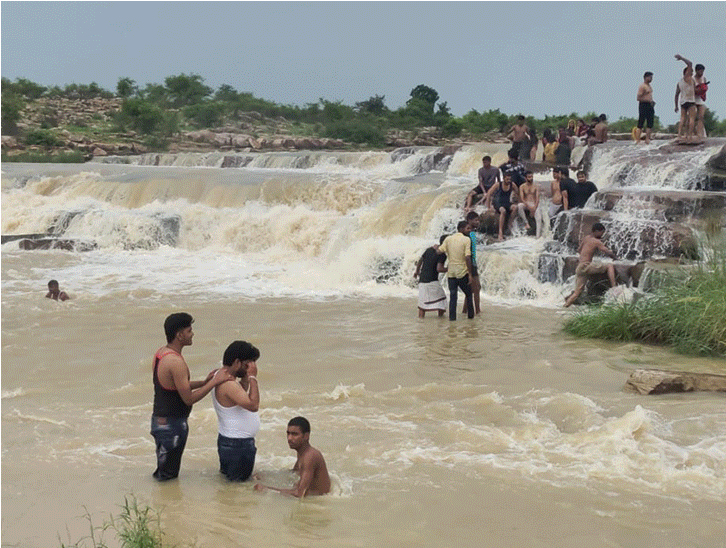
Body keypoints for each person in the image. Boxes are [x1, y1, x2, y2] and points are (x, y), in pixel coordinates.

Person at [150, 312, 233, 481]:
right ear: (179, 335)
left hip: (161, 420)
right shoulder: (175, 362)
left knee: (164, 471)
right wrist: (215, 382)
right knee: (168, 477)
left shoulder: (161, 353)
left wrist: (204, 382)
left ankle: (162, 502)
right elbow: (188, 398)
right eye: (189, 330)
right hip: (172, 425)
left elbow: (174, 386)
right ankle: (167, 506)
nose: (192, 333)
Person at [213, 340, 261, 482]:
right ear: (237, 362)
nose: (249, 368)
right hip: (238, 446)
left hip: (230, 442)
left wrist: (245, 381)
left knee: (232, 488)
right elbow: (253, 405)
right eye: (247, 364)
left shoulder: (220, 376)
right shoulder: (229, 384)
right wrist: (253, 377)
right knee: (237, 491)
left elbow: (237, 399)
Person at [254, 417, 331, 497]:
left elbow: (300, 494)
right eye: (288, 433)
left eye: (294, 434)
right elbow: (292, 473)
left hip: (318, 501)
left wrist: (267, 489)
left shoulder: (310, 457)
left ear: (306, 436)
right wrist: (265, 475)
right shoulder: (302, 453)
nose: (289, 438)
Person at [564, 222, 618, 307]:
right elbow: (607, 251)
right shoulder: (596, 241)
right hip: (586, 266)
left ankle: (565, 306)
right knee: (609, 265)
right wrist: (615, 257)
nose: (602, 235)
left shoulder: (586, 238)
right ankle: (614, 288)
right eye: (602, 232)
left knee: (577, 293)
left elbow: (579, 250)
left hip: (580, 267)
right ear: (596, 231)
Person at [437, 220, 475, 320]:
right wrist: (470, 274)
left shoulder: (448, 239)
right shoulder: (466, 240)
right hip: (462, 272)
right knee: (469, 294)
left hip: (451, 273)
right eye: (468, 228)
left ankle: (452, 320)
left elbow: (439, 251)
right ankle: (471, 319)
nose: (469, 230)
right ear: (461, 229)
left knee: (453, 297)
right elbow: (467, 257)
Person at [413, 235, 448, 318]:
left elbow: (420, 260)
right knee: (442, 299)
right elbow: (439, 269)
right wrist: (449, 269)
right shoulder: (442, 255)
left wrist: (417, 271)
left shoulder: (429, 249)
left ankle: (421, 322)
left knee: (423, 304)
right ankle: (440, 319)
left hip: (422, 279)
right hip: (432, 280)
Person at [486, 173, 520, 241]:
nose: (508, 180)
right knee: (503, 211)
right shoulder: (498, 184)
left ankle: (510, 224)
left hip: (507, 203)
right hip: (498, 203)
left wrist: (517, 201)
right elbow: (489, 193)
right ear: (503, 178)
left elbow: (517, 192)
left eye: (510, 179)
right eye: (507, 179)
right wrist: (489, 207)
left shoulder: (512, 185)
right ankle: (500, 232)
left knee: (515, 208)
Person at [461, 211, 481, 316]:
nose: (478, 222)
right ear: (469, 220)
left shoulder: (472, 233)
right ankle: (477, 311)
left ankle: (465, 310)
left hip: (472, 263)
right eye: (475, 220)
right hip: (470, 264)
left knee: (471, 289)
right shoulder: (468, 234)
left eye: (478, 220)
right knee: (476, 288)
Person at [674, 54, 697, 143]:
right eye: (691, 72)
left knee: (682, 118)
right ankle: (689, 136)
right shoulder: (688, 78)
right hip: (690, 100)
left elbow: (676, 95)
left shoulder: (679, 82)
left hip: (683, 101)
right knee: (691, 118)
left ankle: (680, 135)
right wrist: (682, 58)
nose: (692, 73)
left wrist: (676, 106)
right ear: (686, 72)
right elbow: (690, 63)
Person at [636, 71, 656, 144]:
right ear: (645, 77)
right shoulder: (642, 86)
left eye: (651, 77)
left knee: (650, 122)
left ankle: (647, 139)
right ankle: (638, 140)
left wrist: (651, 101)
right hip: (643, 105)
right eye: (650, 77)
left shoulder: (649, 86)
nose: (651, 79)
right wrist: (647, 100)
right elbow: (638, 98)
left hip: (649, 105)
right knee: (641, 122)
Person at [518, 170, 540, 235]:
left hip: (534, 204)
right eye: (529, 177)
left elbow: (537, 198)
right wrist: (529, 207)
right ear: (525, 178)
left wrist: (534, 208)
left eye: (531, 176)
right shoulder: (522, 186)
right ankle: (526, 223)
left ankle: (538, 236)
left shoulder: (536, 186)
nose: (531, 178)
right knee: (519, 206)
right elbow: (522, 198)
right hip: (526, 203)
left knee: (539, 217)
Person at [694, 63, 708, 139]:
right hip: (693, 99)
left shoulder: (704, 78)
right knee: (692, 117)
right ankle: (691, 132)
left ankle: (700, 133)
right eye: (700, 71)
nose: (701, 73)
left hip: (700, 99)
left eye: (702, 71)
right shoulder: (693, 79)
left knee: (701, 117)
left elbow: (705, 88)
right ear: (696, 71)